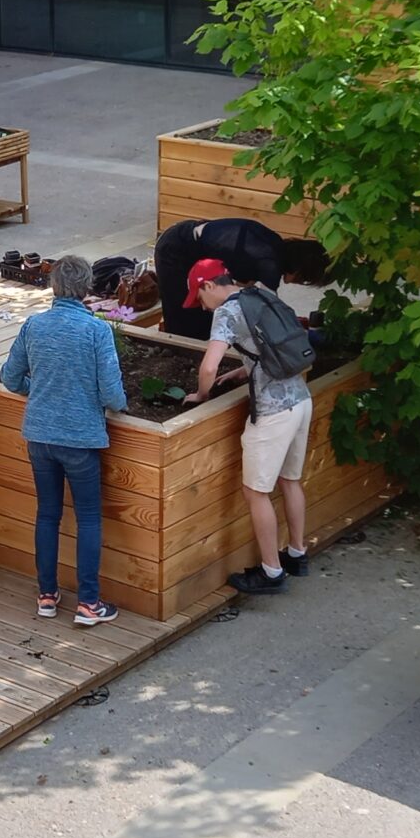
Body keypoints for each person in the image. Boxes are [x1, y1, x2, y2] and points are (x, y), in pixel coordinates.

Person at [0, 254, 127, 626]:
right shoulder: (96, 331)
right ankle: (88, 603)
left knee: (47, 515)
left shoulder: (33, 326)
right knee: (88, 518)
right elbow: (112, 394)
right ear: (88, 287)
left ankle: (47, 596)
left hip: (39, 435)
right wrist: (120, 407)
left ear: (53, 286)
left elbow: (10, 378)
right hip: (80, 439)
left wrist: (36, 392)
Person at [190, 257, 317, 597]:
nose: (202, 308)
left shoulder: (226, 313)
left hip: (273, 412)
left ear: (208, 285)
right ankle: (296, 554)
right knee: (290, 481)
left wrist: (202, 394)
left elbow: (208, 366)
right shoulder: (259, 294)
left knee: (256, 492)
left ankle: (271, 572)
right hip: (301, 399)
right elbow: (270, 349)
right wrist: (241, 372)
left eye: (200, 299)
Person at [154, 215, 287, 339]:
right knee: (182, 316)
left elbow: (267, 306)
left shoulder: (264, 255)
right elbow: (268, 307)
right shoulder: (263, 259)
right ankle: (180, 345)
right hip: (176, 247)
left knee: (204, 316)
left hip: (204, 244)